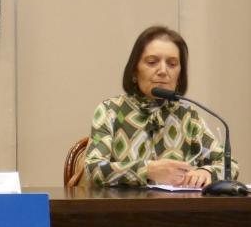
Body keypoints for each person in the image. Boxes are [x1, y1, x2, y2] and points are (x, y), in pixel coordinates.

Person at [84, 25, 238, 188]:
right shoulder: (111, 110)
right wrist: (147, 170)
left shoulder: (187, 115)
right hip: (125, 204)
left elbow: (230, 166)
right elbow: (93, 169)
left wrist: (206, 172)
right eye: (152, 62)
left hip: (177, 204)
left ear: (180, 76)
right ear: (134, 71)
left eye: (172, 64)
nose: (163, 71)